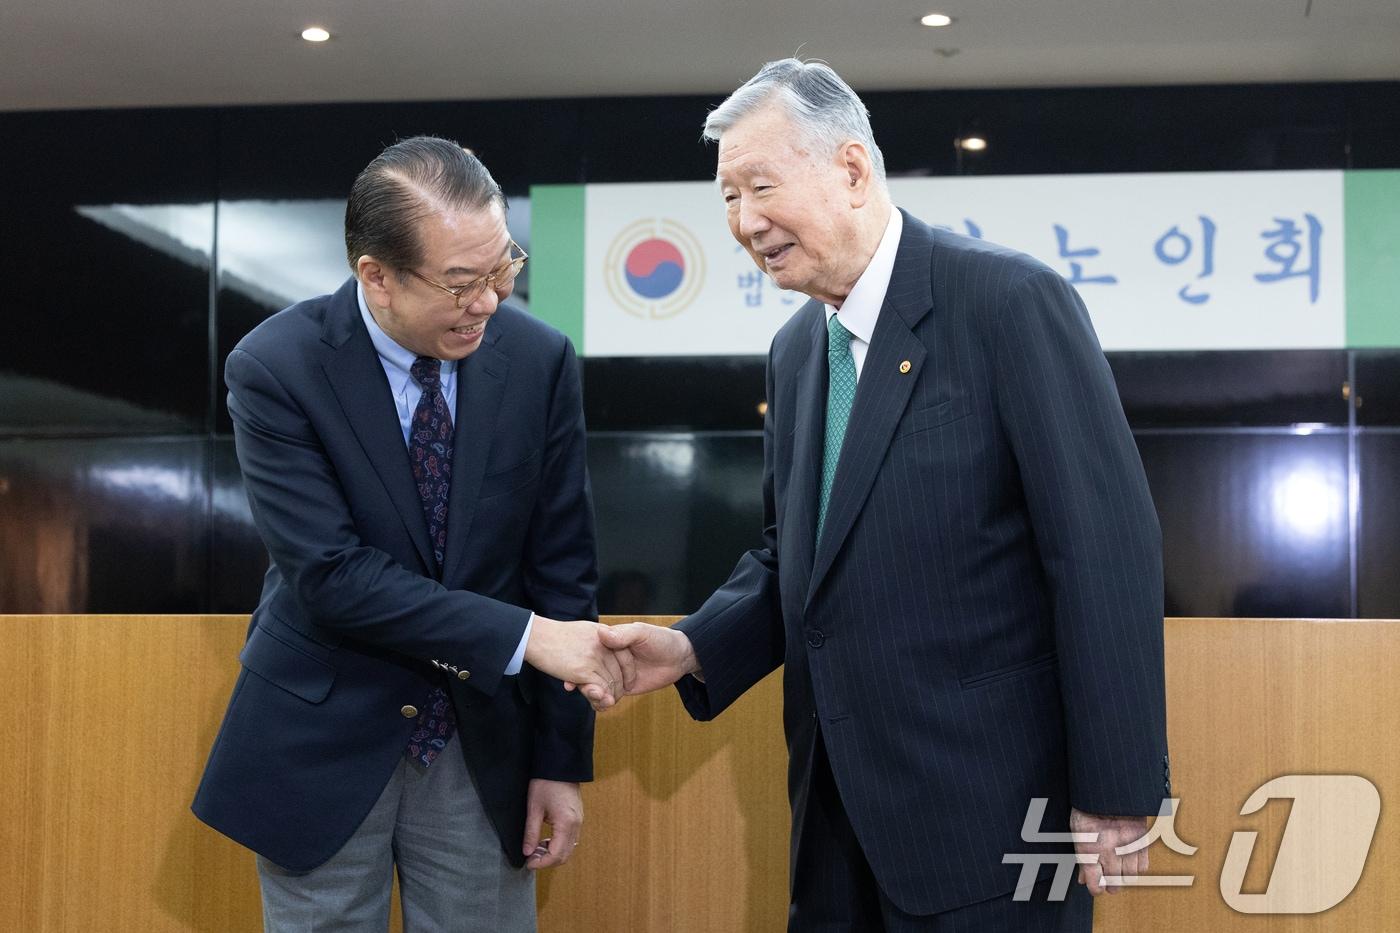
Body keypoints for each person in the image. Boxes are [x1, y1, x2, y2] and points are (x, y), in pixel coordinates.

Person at [599, 60, 1171, 931]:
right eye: (725, 198)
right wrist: (689, 649)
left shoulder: (1007, 302)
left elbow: (1102, 548)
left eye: (761, 187)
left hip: (995, 816)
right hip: (833, 823)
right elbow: (793, 554)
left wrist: (1118, 786)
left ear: (853, 171)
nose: (744, 223)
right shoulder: (795, 354)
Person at [193, 136, 623, 932]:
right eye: (461, 282)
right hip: (323, 730)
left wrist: (560, 761)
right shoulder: (276, 367)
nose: (489, 301)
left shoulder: (539, 361)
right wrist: (525, 637)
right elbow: (331, 574)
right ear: (376, 276)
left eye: (502, 268)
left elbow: (563, 570)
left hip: (481, 740)